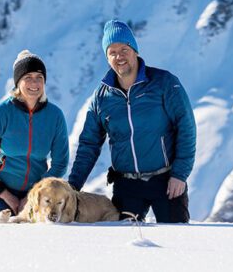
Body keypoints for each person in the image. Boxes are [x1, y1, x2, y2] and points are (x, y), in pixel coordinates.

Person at [68, 20, 197, 223]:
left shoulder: (164, 83)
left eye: (124, 49)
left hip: (167, 180)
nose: (119, 56)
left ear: (135, 50)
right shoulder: (101, 98)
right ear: (107, 57)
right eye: (112, 51)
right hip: (126, 185)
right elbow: (89, 145)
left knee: (176, 241)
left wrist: (180, 174)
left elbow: (186, 128)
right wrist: (72, 187)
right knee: (124, 246)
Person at [0, 50, 69, 216]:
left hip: (38, 193)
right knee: (5, 227)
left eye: (39, 78)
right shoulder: (1, 113)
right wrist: (6, 195)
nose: (34, 83)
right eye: (27, 77)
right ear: (17, 82)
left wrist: (33, 196)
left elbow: (60, 163)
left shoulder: (55, 116)